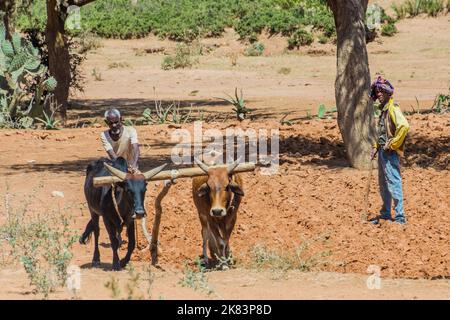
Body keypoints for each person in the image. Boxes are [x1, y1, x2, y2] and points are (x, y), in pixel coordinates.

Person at [369, 76, 410, 225]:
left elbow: (404, 126)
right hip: (382, 152)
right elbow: (381, 132)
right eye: (376, 91)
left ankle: (400, 217)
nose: (378, 94)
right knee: (384, 184)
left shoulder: (393, 108)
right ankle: (385, 214)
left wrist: (392, 144)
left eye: (381, 91)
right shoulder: (384, 110)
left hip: (389, 153)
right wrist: (375, 147)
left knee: (393, 182)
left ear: (387, 92)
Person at [101, 108, 140, 173]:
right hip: (117, 165)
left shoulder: (131, 131)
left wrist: (134, 164)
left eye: (116, 122)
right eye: (111, 123)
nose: (114, 125)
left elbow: (135, 148)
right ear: (106, 122)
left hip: (132, 165)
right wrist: (123, 168)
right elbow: (112, 154)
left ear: (121, 119)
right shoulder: (104, 135)